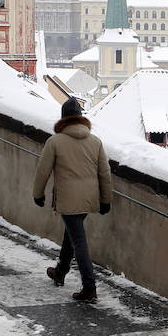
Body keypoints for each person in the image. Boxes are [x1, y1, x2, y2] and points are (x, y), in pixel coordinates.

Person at [33, 98, 112, 303]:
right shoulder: (95, 141)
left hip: (68, 200)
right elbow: (104, 173)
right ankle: (61, 271)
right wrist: (105, 200)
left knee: (78, 240)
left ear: (63, 118)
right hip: (89, 199)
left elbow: (43, 171)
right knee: (72, 232)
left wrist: (38, 194)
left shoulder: (55, 142)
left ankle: (89, 287)